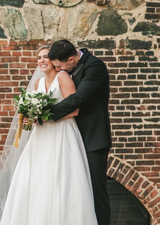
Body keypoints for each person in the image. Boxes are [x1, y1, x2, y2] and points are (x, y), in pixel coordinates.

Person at [0, 47, 98, 225]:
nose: (41, 61)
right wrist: (30, 116)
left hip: (62, 132)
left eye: (45, 57)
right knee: (35, 177)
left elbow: (75, 109)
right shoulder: (38, 83)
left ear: (54, 60)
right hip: (40, 137)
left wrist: (45, 116)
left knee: (59, 177)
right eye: (39, 58)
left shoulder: (63, 77)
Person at [48, 39, 112, 225]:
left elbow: (80, 98)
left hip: (93, 137)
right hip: (71, 137)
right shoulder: (66, 67)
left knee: (95, 189)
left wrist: (46, 114)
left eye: (60, 66)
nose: (59, 70)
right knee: (76, 189)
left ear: (71, 58)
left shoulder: (95, 67)